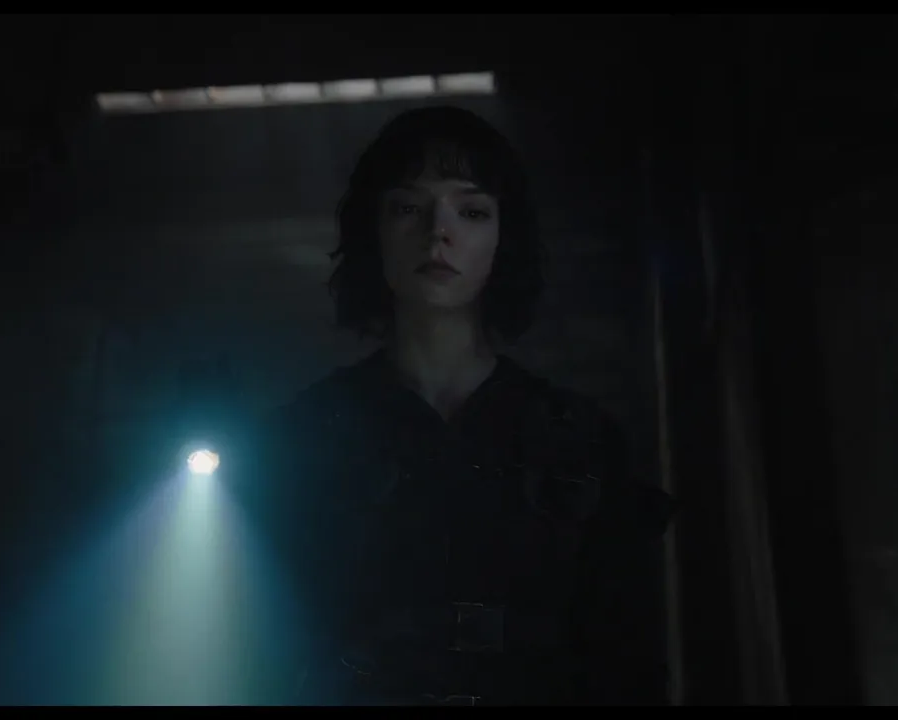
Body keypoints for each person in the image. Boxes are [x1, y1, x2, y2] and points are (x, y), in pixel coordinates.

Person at [241, 106, 673, 706]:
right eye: (408, 208)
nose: (437, 232)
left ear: (503, 235)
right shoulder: (304, 435)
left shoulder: (581, 438)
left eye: (471, 210)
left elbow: (629, 660)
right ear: (374, 230)